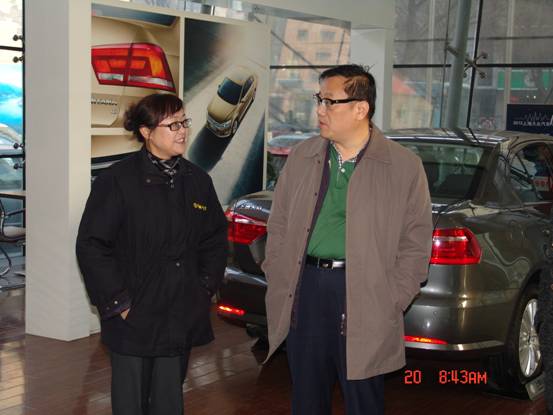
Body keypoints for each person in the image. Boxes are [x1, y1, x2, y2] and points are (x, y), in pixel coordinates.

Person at [262, 64, 433, 415]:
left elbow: (416, 243)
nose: (320, 110)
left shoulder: (403, 166)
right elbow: (278, 224)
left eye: (330, 101)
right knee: (306, 398)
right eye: (319, 100)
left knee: (363, 400)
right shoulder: (303, 156)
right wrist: (277, 270)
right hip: (305, 288)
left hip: (367, 294)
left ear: (360, 108)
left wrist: (393, 298)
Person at [76, 93, 228, 415]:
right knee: (130, 402)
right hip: (134, 314)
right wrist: (119, 303)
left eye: (184, 122)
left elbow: (215, 240)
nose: (182, 131)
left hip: (180, 312)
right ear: (146, 132)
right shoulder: (117, 180)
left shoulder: (198, 181)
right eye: (172, 125)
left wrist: (203, 288)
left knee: (169, 400)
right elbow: (92, 245)